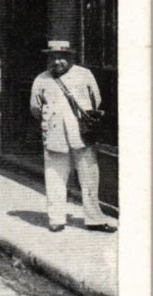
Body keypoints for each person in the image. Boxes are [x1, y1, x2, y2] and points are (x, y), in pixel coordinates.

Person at [29, 40, 115, 234]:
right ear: (48, 58)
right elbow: (35, 107)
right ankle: (56, 219)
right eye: (53, 57)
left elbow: (97, 100)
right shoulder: (41, 80)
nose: (57, 61)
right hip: (54, 135)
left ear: (70, 58)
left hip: (82, 135)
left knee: (89, 176)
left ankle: (94, 219)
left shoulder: (84, 75)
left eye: (62, 57)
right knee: (55, 177)